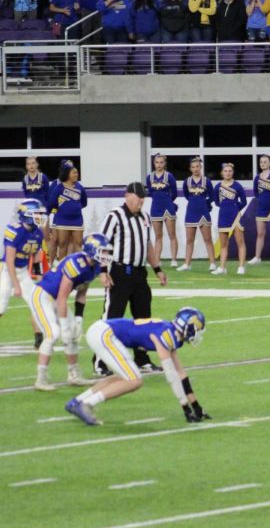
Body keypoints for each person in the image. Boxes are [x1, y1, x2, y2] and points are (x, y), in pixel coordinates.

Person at [69, 306, 211, 426]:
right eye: (197, 328)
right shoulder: (166, 335)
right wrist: (185, 408)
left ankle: (78, 402)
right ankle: (87, 404)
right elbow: (171, 375)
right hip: (104, 334)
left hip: (101, 331)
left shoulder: (171, 334)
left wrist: (196, 407)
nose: (198, 333)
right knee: (135, 380)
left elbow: (181, 374)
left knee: (123, 376)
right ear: (187, 326)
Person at [97, 182, 169, 374]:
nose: (142, 201)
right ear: (128, 196)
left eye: (144, 197)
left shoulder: (144, 217)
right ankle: (101, 362)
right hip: (120, 272)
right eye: (139, 197)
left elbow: (148, 246)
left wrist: (158, 269)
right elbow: (102, 244)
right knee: (112, 318)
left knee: (144, 319)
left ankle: (141, 359)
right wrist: (103, 270)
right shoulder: (115, 216)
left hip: (139, 274)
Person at [30, 233, 112, 391]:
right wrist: (64, 325)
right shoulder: (76, 263)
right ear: (92, 250)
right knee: (54, 333)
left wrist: (78, 319)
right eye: (103, 251)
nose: (106, 255)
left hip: (56, 298)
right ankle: (41, 378)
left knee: (73, 336)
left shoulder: (93, 267)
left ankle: (73, 374)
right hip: (43, 295)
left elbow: (82, 292)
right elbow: (62, 297)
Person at [0, 199, 46, 353]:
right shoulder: (15, 231)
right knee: (0, 308)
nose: (40, 217)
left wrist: (40, 279)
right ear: (26, 215)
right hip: (6, 270)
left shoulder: (38, 232)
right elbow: (10, 261)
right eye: (36, 214)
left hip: (23, 270)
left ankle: (39, 340)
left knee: (36, 303)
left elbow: (37, 257)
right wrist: (16, 286)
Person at [177, 157, 217, 273]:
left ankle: (213, 263)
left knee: (208, 239)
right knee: (189, 240)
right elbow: (186, 195)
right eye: (193, 167)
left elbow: (212, 195)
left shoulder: (206, 181)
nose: (195, 169)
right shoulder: (187, 182)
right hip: (191, 212)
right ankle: (187, 264)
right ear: (190, 168)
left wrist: (206, 203)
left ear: (201, 167)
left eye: (197, 166)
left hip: (203, 212)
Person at [47, 159, 87, 263]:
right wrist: (63, 209)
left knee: (78, 244)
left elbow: (84, 203)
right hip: (62, 221)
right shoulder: (58, 188)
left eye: (77, 173)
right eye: (74, 172)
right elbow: (52, 203)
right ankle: (60, 269)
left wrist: (74, 209)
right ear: (67, 173)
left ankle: (79, 269)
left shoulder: (80, 188)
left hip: (77, 221)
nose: (76, 174)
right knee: (62, 245)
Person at [212, 162, 247, 276]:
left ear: (233, 172)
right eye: (225, 171)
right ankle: (222, 268)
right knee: (223, 244)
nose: (227, 173)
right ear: (222, 173)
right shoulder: (217, 187)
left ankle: (241, 266)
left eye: (230, 171)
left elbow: (244, 201)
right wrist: (225, 207)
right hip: (223, 216)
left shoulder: (237, 186)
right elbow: (217, 201)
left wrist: (235, 208)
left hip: (235, 216)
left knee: (240, 242)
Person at [145, 153, 178, 267]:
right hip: (155, 207)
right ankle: (157, 260)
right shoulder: (149, 177)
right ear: (154, 163)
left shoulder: (169, 176)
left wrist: (168, 201)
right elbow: (150, 192)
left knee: (172, 234)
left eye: (161, 162)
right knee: (158, 236)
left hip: (168, 207)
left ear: (165, 163)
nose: (159, 164)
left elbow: (174, 193)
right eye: (157, 162)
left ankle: (173, 260)